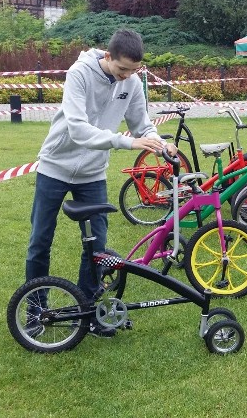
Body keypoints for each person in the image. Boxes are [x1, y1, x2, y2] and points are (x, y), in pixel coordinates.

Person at [25, 29, 176, 337]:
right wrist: (126, 143)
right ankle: (35, 310)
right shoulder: (79, 73)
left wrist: (160, 143)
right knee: (40, 242)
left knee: (98, 246)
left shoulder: (131, 83)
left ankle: (89, 312)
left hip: (92, 174)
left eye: (134, 71)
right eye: (122, 69)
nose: (127, 77)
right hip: (55, 167)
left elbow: (142, 124)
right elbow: (78, 129)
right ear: (108, 57)